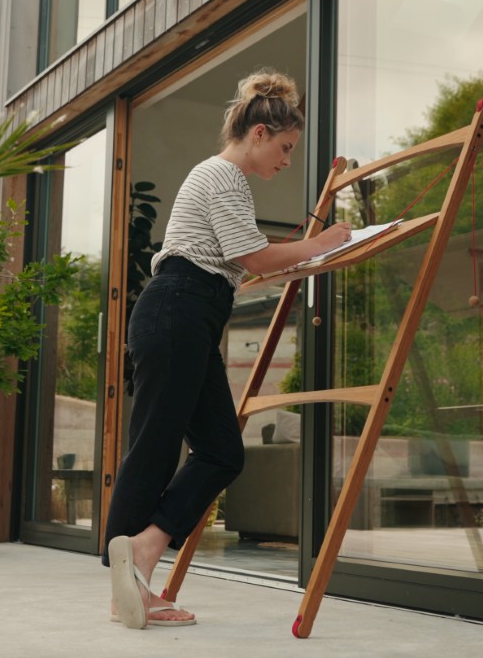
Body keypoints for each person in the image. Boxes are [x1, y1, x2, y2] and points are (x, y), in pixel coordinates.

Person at [103, 70, 351, 630]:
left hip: (191, 313)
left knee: (220, 451)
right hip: (177, 310)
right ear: (260, 133)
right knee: (156, 446)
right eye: (285, 149)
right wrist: (325, 241)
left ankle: (140, 555)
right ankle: (128, 584)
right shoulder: (222, 175)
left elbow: (242, 264)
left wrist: (302, 255)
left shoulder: (225, 184)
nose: (287, 161)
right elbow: (258, 259)